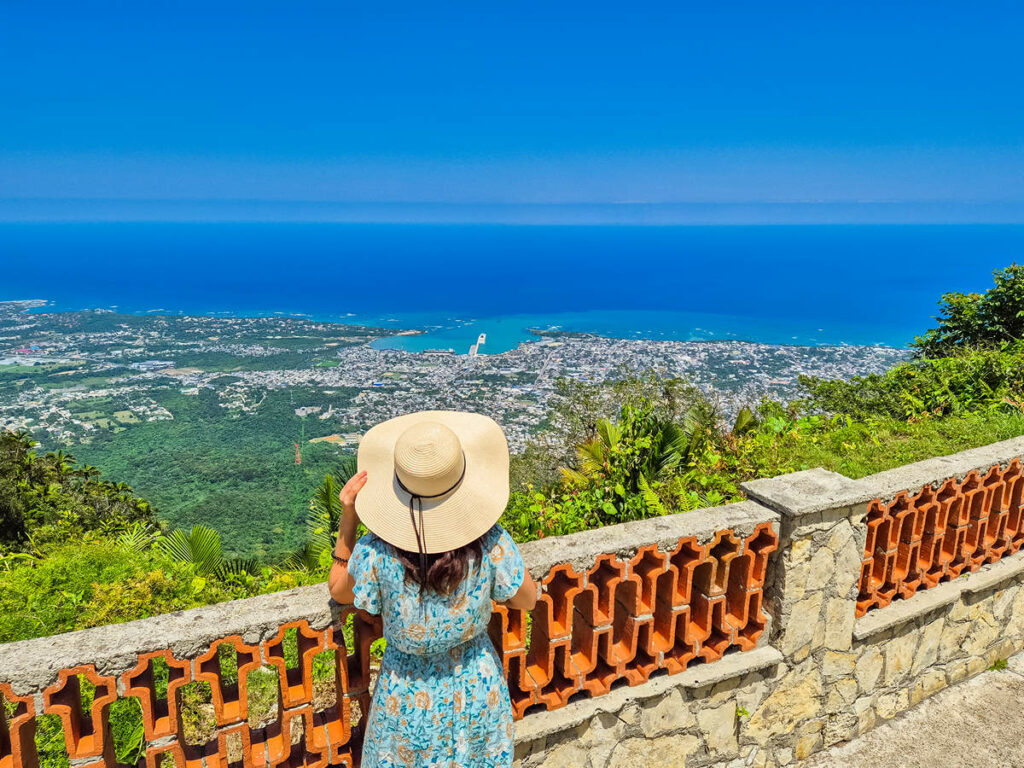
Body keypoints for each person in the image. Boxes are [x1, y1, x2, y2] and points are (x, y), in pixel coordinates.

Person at [328, 410, 537, 768]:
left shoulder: (376, 551)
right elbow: (527, 598)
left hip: (405, 698)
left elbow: (339, 590)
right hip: (475, 688)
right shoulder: (490, 543)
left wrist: (349, 518)